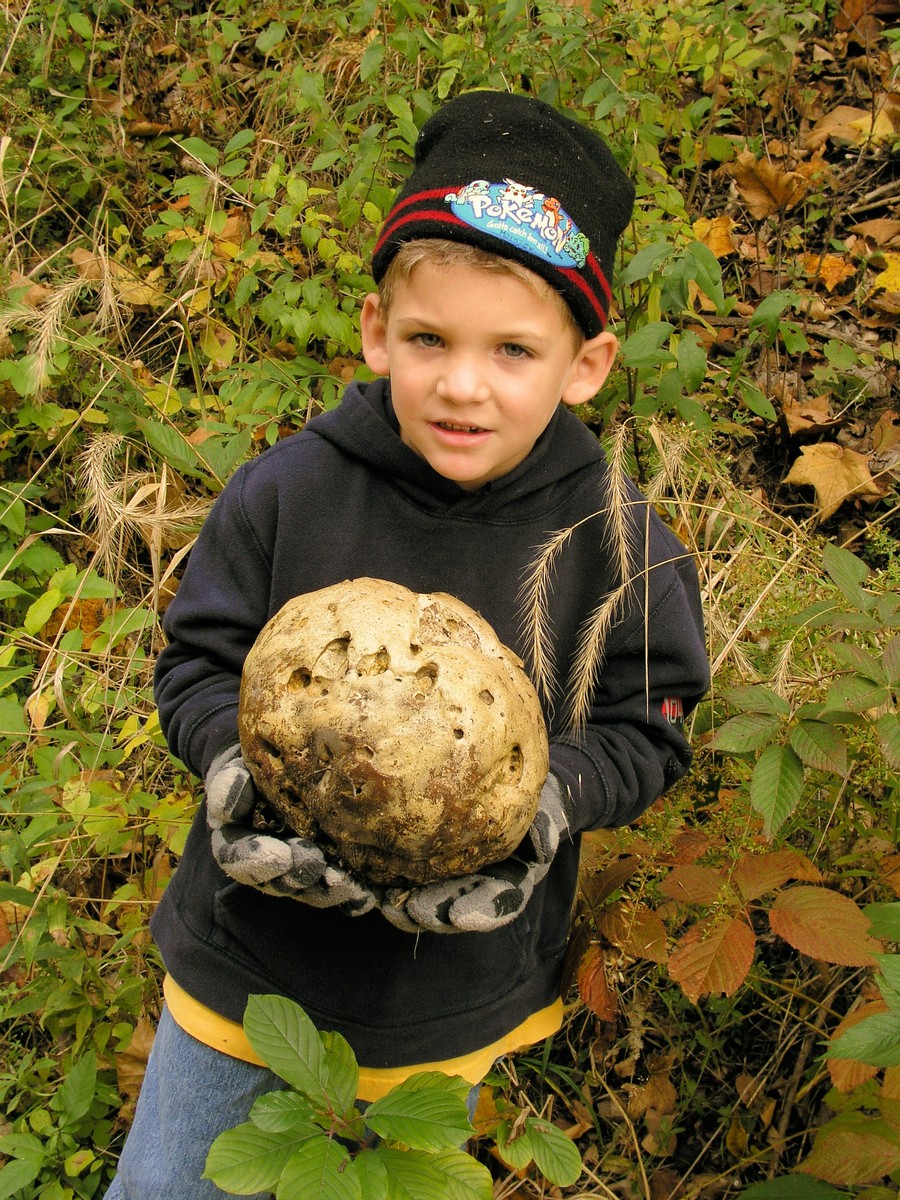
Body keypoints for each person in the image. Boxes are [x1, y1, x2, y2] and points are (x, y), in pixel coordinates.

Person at [104, 89, 710, 1198]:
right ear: (379, 331)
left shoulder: (623, 547)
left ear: (586, 363)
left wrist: (546, 799)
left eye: (514, 350)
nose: (463, 384)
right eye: (429, 339)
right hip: (247, 972)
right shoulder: (287, 491)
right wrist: (237, 767)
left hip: (451, 994)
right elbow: (195, 663)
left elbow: (650, 725)